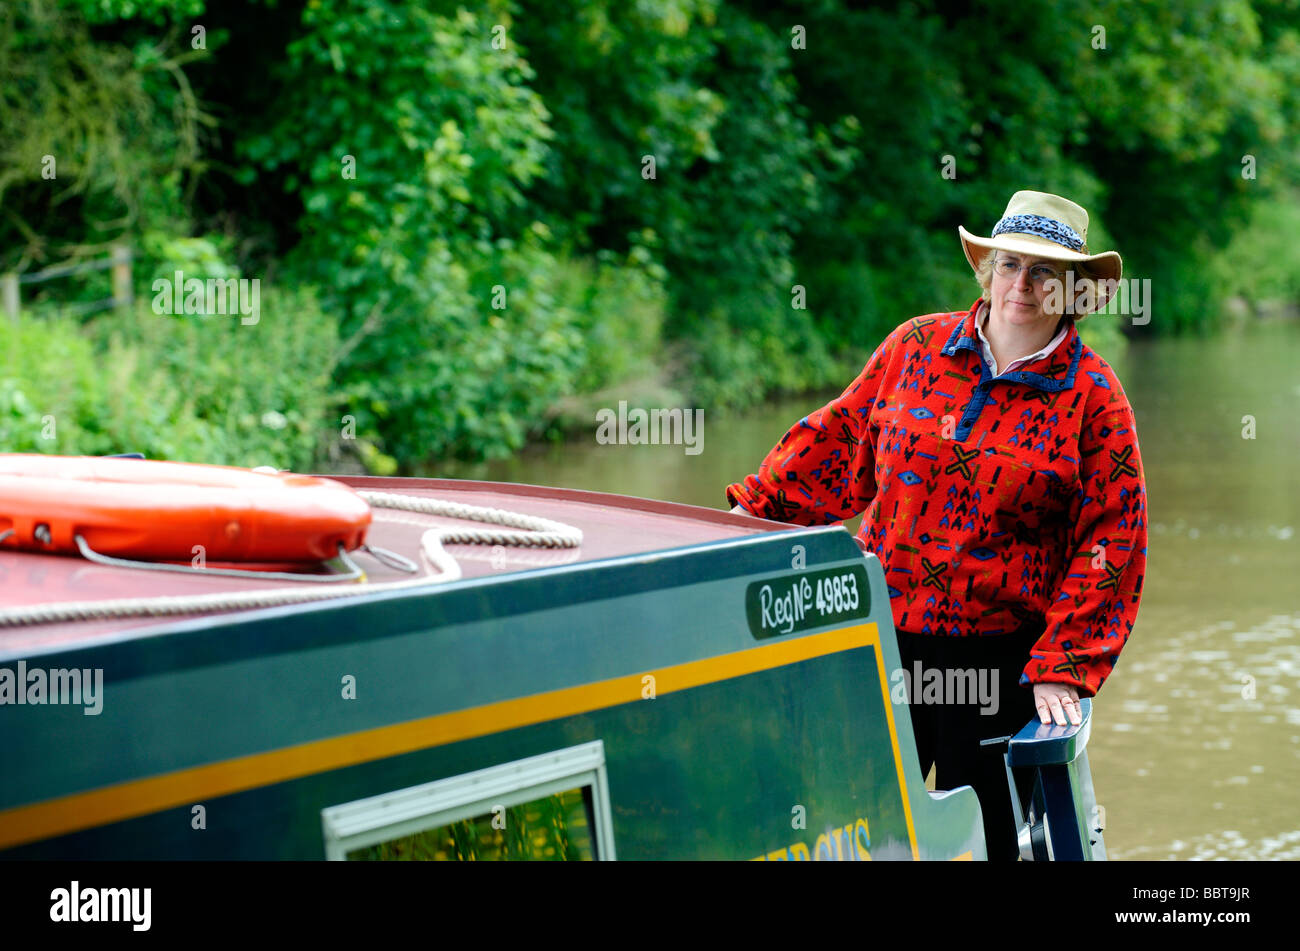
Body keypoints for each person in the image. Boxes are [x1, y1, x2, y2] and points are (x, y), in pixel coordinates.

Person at [725, 190, 1148, 860]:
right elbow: (836, 446)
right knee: (848, 833)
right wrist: (752, 512)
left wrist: (1065, 663)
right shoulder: (914, 346)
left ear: (1073, 291)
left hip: (998, 669)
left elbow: (1113, 540)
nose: (1023, 285)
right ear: (987, 271)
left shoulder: (1094, 398)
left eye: (1044, 272)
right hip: (877, 644)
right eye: (1011, 264)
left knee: (988, 844)